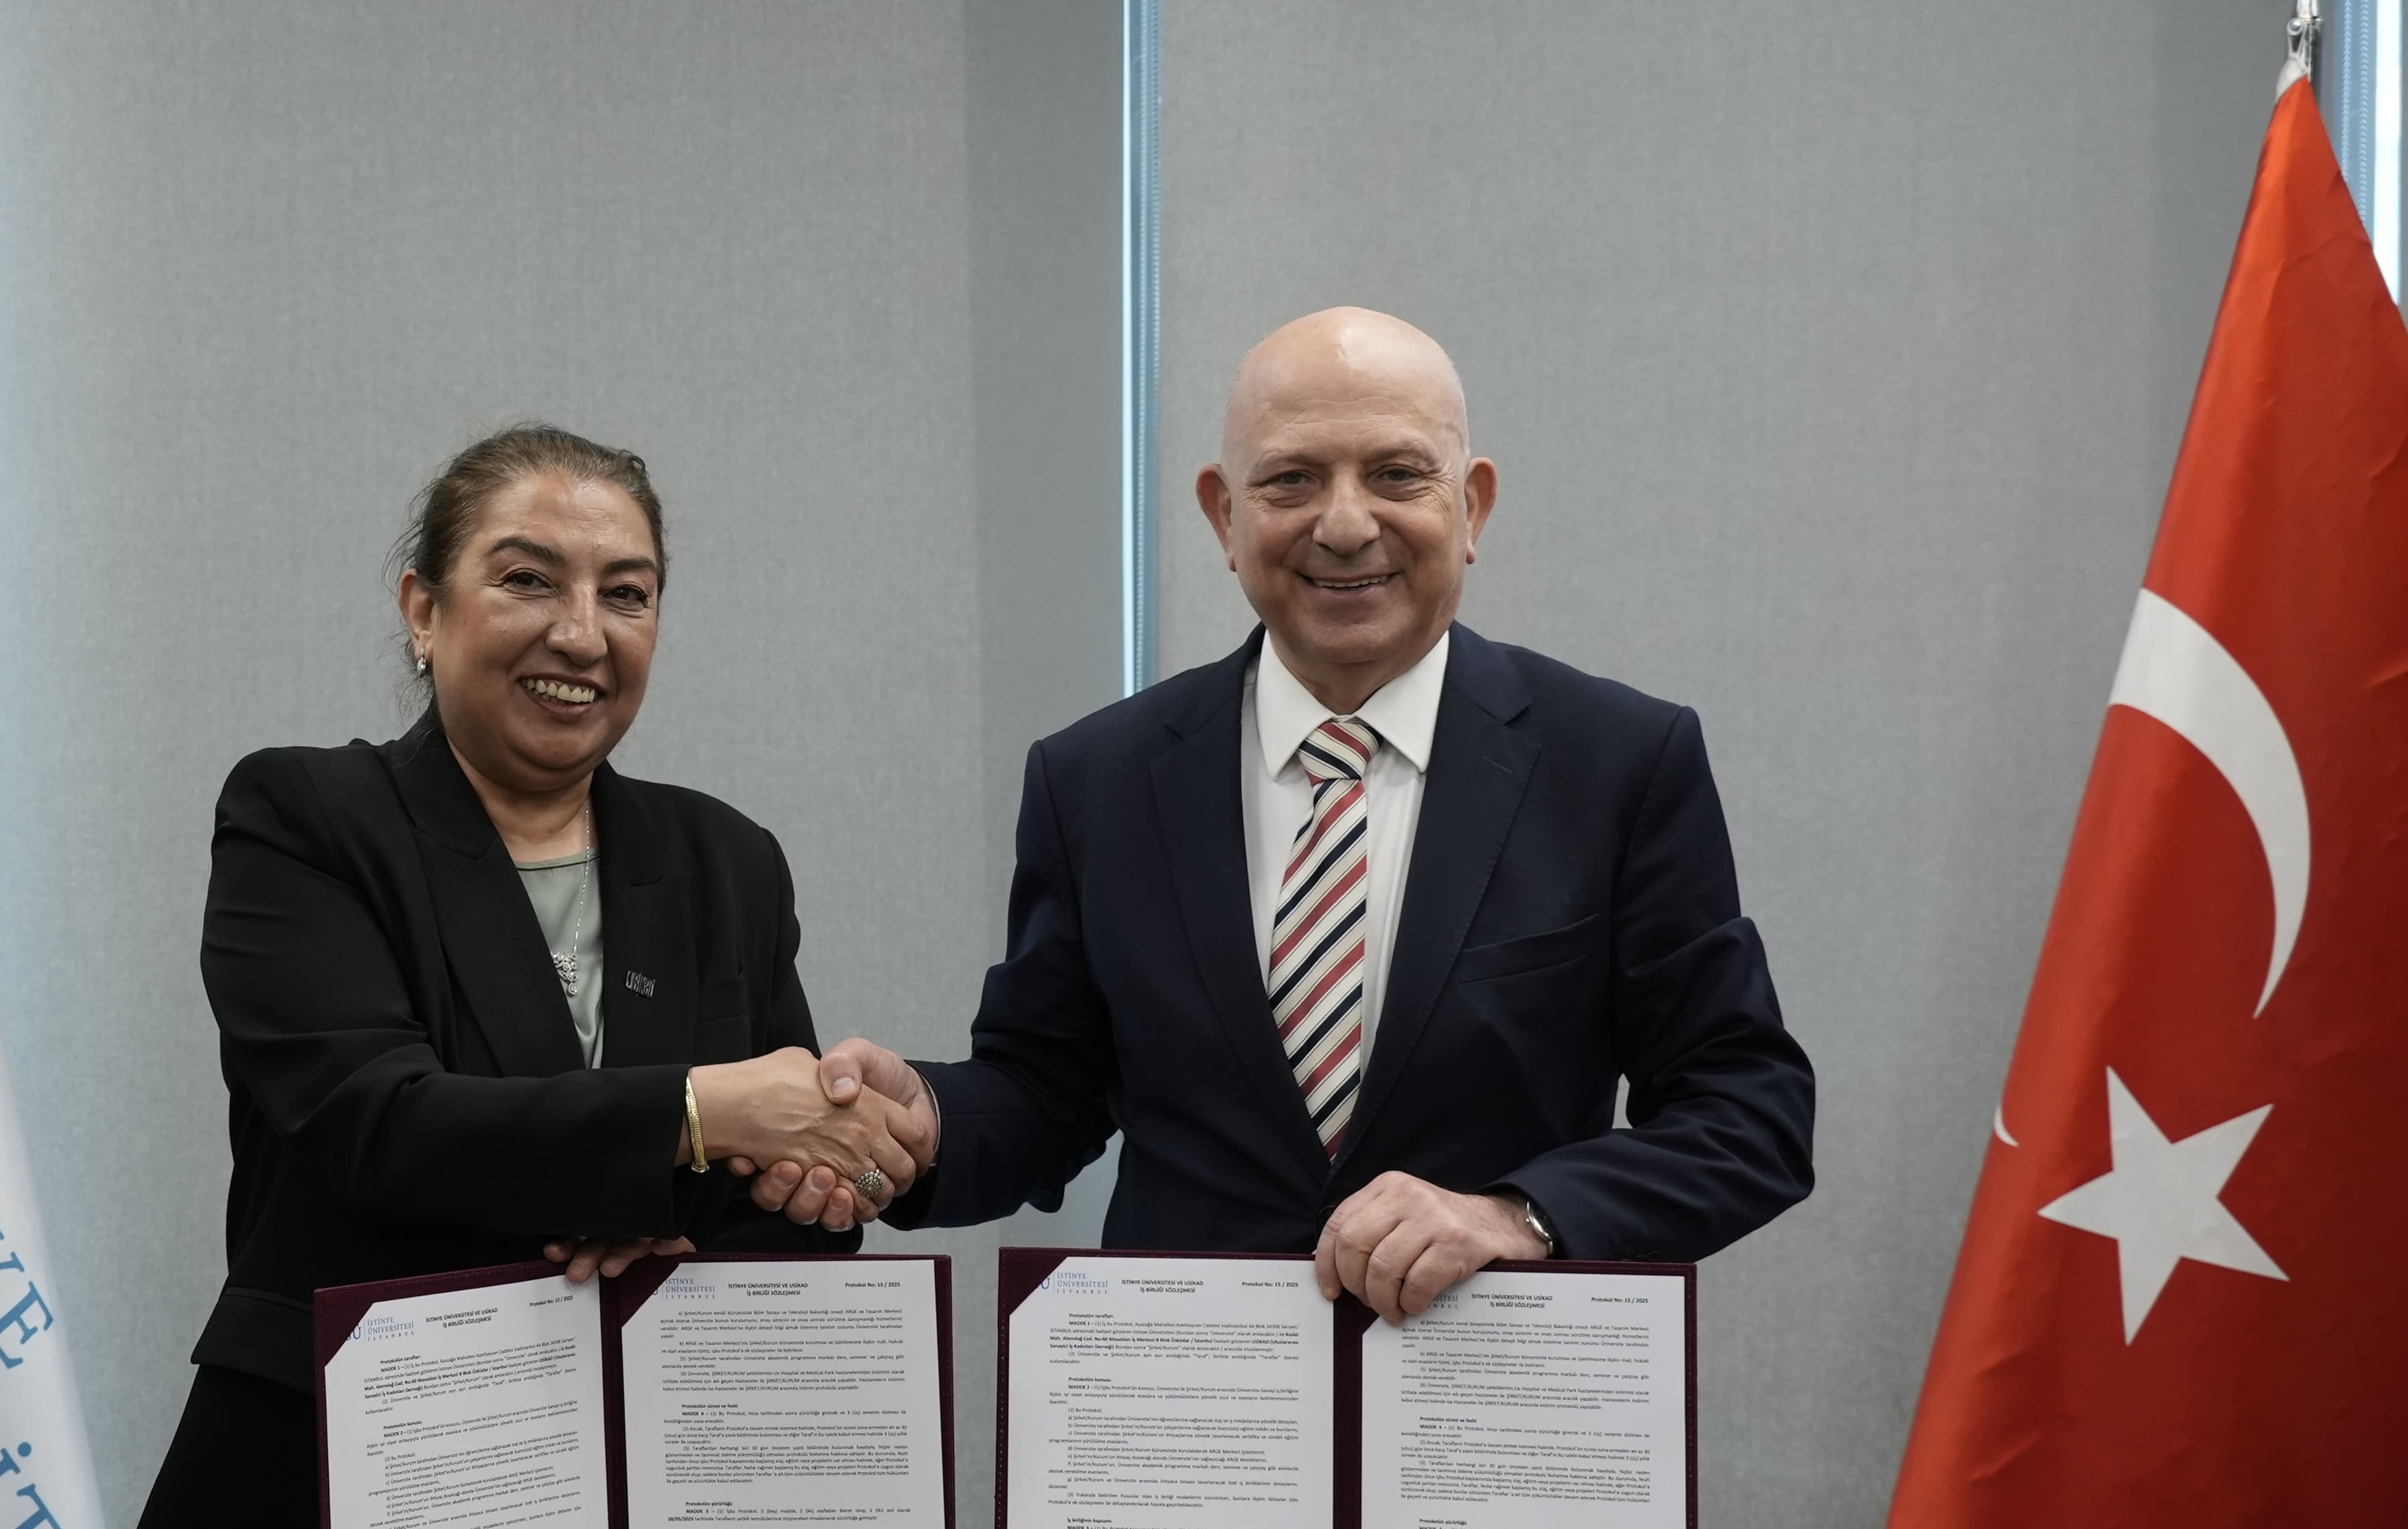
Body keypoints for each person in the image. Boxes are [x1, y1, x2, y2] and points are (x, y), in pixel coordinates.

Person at [767, 307, 1815, 1321]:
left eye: (1397, 474)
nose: (1346, 524)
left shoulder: (1619, 763)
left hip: (1486, 1398)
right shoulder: (1095, 780)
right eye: (1292, 480)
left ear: (1473, 506)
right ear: (1225, 515)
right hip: (1194, 1401)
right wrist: (927, 1124)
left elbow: (1748, 1111)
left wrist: (1519, 1215)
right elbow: (1050, 1089)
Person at [102, 423, 924, 1529]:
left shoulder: (724, 860)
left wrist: (814, 1176)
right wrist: (699, 1116)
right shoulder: (307, 817)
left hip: (639, 1503)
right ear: (422, 610)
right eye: (529, 579)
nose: (582, 635)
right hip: (336, 1486)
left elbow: (768, 1202)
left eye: (626, 594)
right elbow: (379, 1125)